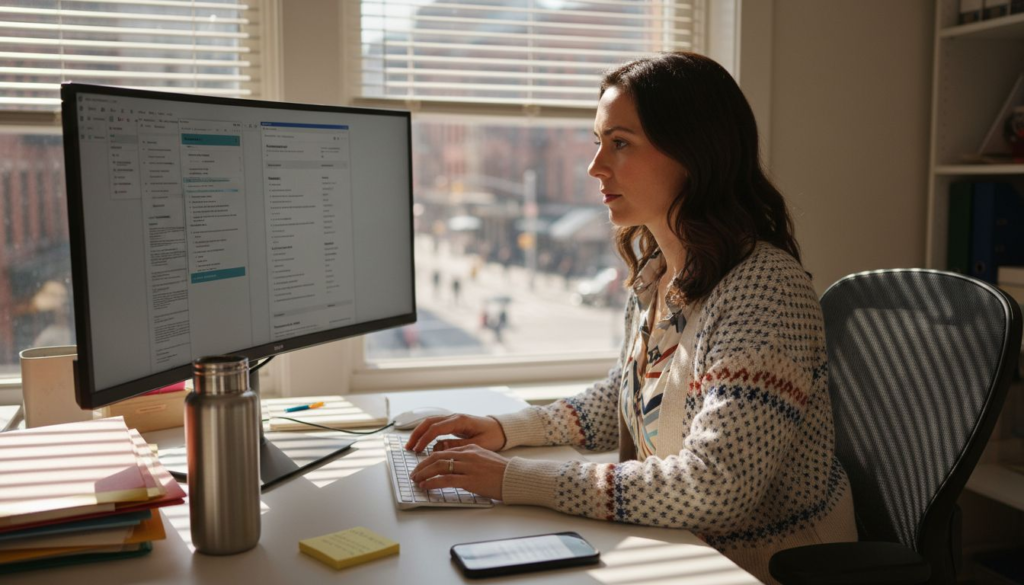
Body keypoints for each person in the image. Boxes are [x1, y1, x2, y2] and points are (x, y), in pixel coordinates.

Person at [406, 52, 856, 584]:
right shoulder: (659, 271)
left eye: (619, 144)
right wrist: (504, 430)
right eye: (598, 141)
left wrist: (519, 479)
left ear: (693, 152)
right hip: (679, 547)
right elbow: (626, 396)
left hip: (756, 565)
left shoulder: (764, 292)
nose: (596, 165)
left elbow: (716, 486)